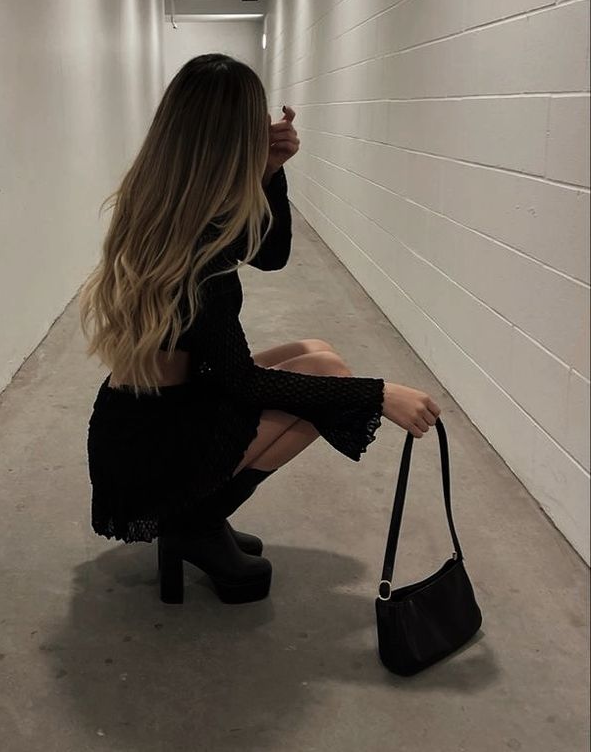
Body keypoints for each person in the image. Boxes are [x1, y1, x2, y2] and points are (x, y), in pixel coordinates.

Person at [78, 53, 441, 605]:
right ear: (235, 138)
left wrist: (269, 172)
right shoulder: (198, 259)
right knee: (330, 378)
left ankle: (199, 515)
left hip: (141, 418)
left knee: (314, 352)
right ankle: (194, 521)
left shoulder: (166, 206)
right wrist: (379, 394)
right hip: (155, 452)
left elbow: (270, 255)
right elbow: (241, 384)